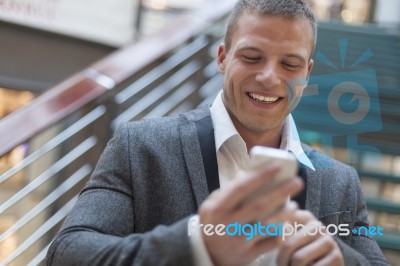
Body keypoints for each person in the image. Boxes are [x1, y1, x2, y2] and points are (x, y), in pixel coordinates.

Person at [46, 0, 389, 265]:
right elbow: (68, 254)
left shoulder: (340, 184)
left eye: (289, 64)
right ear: (222, 58)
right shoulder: (141, 147)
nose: (270, 77)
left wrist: (342, 259)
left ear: (308, 72)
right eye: (252, 57)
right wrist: (198, 245)